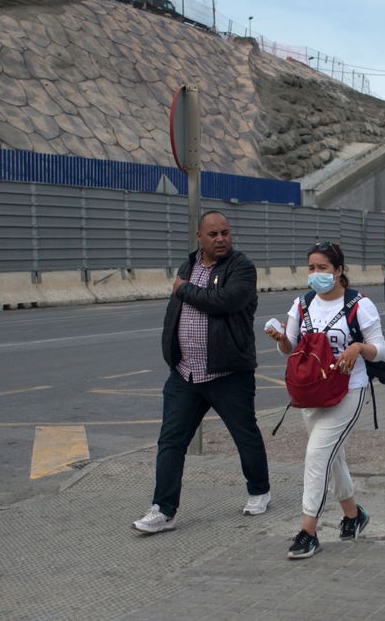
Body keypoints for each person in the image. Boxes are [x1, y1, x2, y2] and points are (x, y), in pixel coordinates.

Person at [132, 211, 271, 534]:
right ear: (200, 237)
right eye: (213, 234)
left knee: (244, 435)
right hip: (185, 374)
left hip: (228, 372)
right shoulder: (188, 266)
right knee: (170, 441)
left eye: (225, 232)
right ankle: (163, 511)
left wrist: (182, 290)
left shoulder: (242, 268)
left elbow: (225, 301)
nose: (220, 238)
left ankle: (259, 489)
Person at [264, 242, 385, 559]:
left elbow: (380, 349)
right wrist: (281, 338)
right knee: (333, 457)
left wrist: (358, 347)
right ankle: (353, 515)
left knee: (317, 456)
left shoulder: (359, 305)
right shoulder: (302, 305)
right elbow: (289, 348)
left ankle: (308, 531)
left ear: (339, 270)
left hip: (348, 391)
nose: (316, 274)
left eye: (323, 268)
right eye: (312, 268)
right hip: (310, 392)